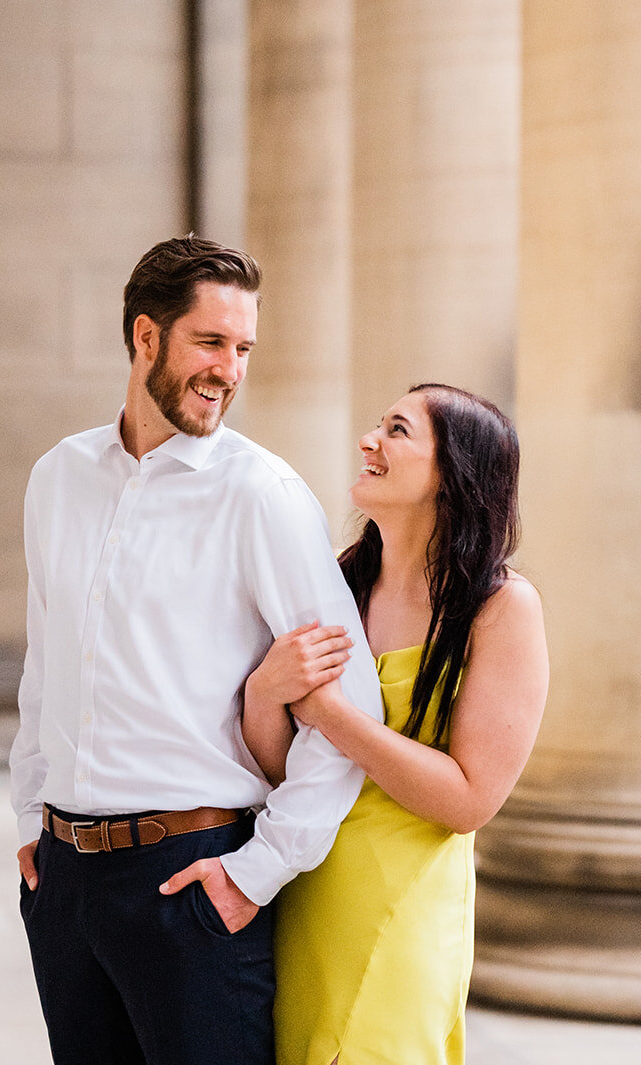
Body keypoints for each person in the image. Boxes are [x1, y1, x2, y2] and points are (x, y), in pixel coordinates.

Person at [9, 235, 385, 1065]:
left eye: (243, 347)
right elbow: (49, 658)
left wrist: (257, 873)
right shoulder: (58, 477)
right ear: (146, 336)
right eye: (210, 342)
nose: (230, 369)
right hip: (66, 887)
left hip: (192, 885)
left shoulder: (263, 495)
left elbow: (353, 704)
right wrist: (37, 807)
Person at [241, 383, 549, 1065]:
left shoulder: (502, 610)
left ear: (453, 472)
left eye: (398, 430)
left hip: (402, 909)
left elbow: (470, 799)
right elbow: (276, 767)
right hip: (302, 887)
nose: (369, 441)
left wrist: (327, 712)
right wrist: (266, 693)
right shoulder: (336, 582)